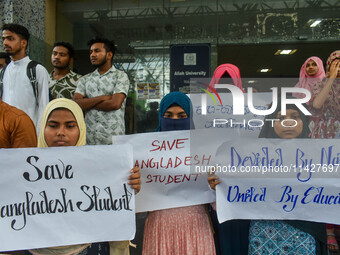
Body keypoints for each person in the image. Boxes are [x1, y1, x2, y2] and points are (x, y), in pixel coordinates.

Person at [209, 98, 327, 255]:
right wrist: (219, 184)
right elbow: (237, 192)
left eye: (294, 116)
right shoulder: (251, 157)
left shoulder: (321, 156)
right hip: (264, 235)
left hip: (305, 235)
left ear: (303, 121)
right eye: (281, 118)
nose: (288, 122)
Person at [26, 98, 141, 255]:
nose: (61, 132)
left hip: (88, 249)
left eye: (70, 126)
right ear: (42, 128)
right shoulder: (25, 172)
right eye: (53, 125)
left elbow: (115, 209)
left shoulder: (100, 168)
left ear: (81, 128)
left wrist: (128, 187)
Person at [142, 91, 216, 255]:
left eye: (182, 116)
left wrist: (216, 185)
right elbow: (137, 203)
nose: (175, 121)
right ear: (160, 116)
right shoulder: (145, 152)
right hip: (160, 228)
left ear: (190, 118)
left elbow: (218, 204)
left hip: (195, 228)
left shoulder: (204, 150)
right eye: (168, 115)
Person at [74, 37, 129, 145]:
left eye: (97, 51)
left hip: (113, 141)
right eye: (91, 52)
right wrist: (103, 98)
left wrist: (87, 102)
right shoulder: (85, 79)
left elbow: (115, 104)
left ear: (109, 54)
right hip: (89, 140)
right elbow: (76, 104)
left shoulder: (121, 76)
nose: (92, 55)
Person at [1, 23, 49, 131]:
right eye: (4, 39)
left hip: (29, 133)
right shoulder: (3, 71)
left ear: (23, 43)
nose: (5, 43)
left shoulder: (37, 70)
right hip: (6, 133)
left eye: (10, 39)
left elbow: (43, 106)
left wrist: (38, 137)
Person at [309, 50, 340, 139]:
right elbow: (317, 105)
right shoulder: (321, 85)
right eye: (335, 65)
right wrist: (331, 78)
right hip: (327, 133)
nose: (338, 69)